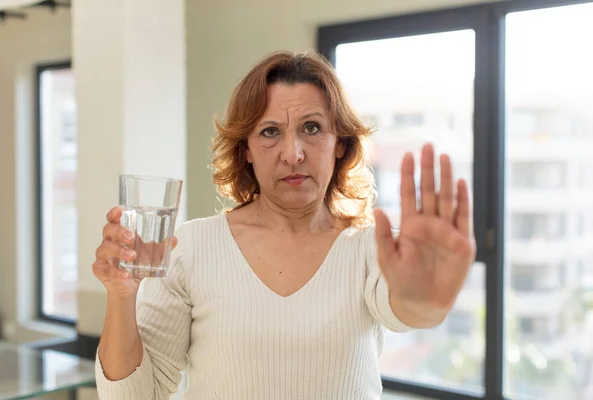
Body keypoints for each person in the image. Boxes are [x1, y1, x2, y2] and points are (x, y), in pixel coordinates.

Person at [93, 50, 476, 399]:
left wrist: (427, 298)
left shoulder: (369, 248)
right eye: (270, 131)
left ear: (339, 142)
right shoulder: (191, 247)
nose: (293, 154)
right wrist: (122, 295)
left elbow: (409, 309)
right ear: (246, 149)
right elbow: (134, 396)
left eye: (311, 128)